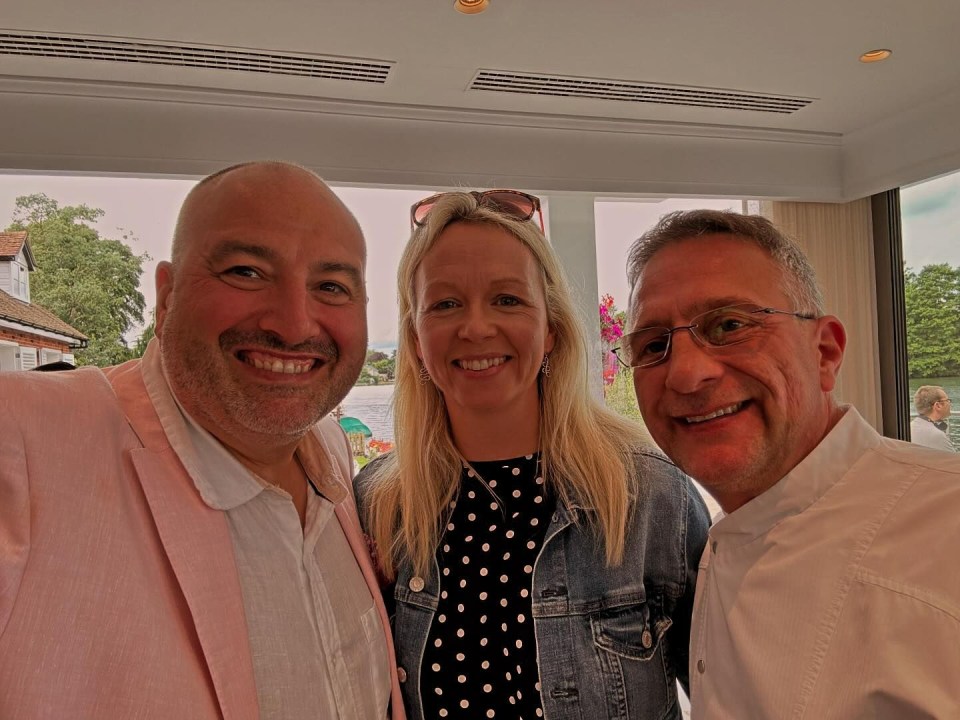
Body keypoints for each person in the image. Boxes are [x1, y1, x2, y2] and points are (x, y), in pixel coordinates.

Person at [0, 162, 404, 720]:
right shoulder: (23, 440)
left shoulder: (331, 451)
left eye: (331, 286)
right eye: (246, 272)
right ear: (166, 297)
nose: (293, 324)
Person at [355, 190, 710, 720]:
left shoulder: (650, 496)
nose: (476, 327)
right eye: (445, 303)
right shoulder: (378, 506)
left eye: (507, 299)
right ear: (415, 338)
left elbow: (725, 695)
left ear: (551, 330)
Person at [623, 209, 960, 719]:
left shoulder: (945, 528)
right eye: (654, 345)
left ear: (824, 352)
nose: (687, 375)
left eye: (730, 324)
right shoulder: (721, 542)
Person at [910, 385, 956, 451]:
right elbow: (954, 460)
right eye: (947, 400)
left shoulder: (910, 427)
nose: (950, 404)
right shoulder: (937, 435)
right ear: (938, 405)